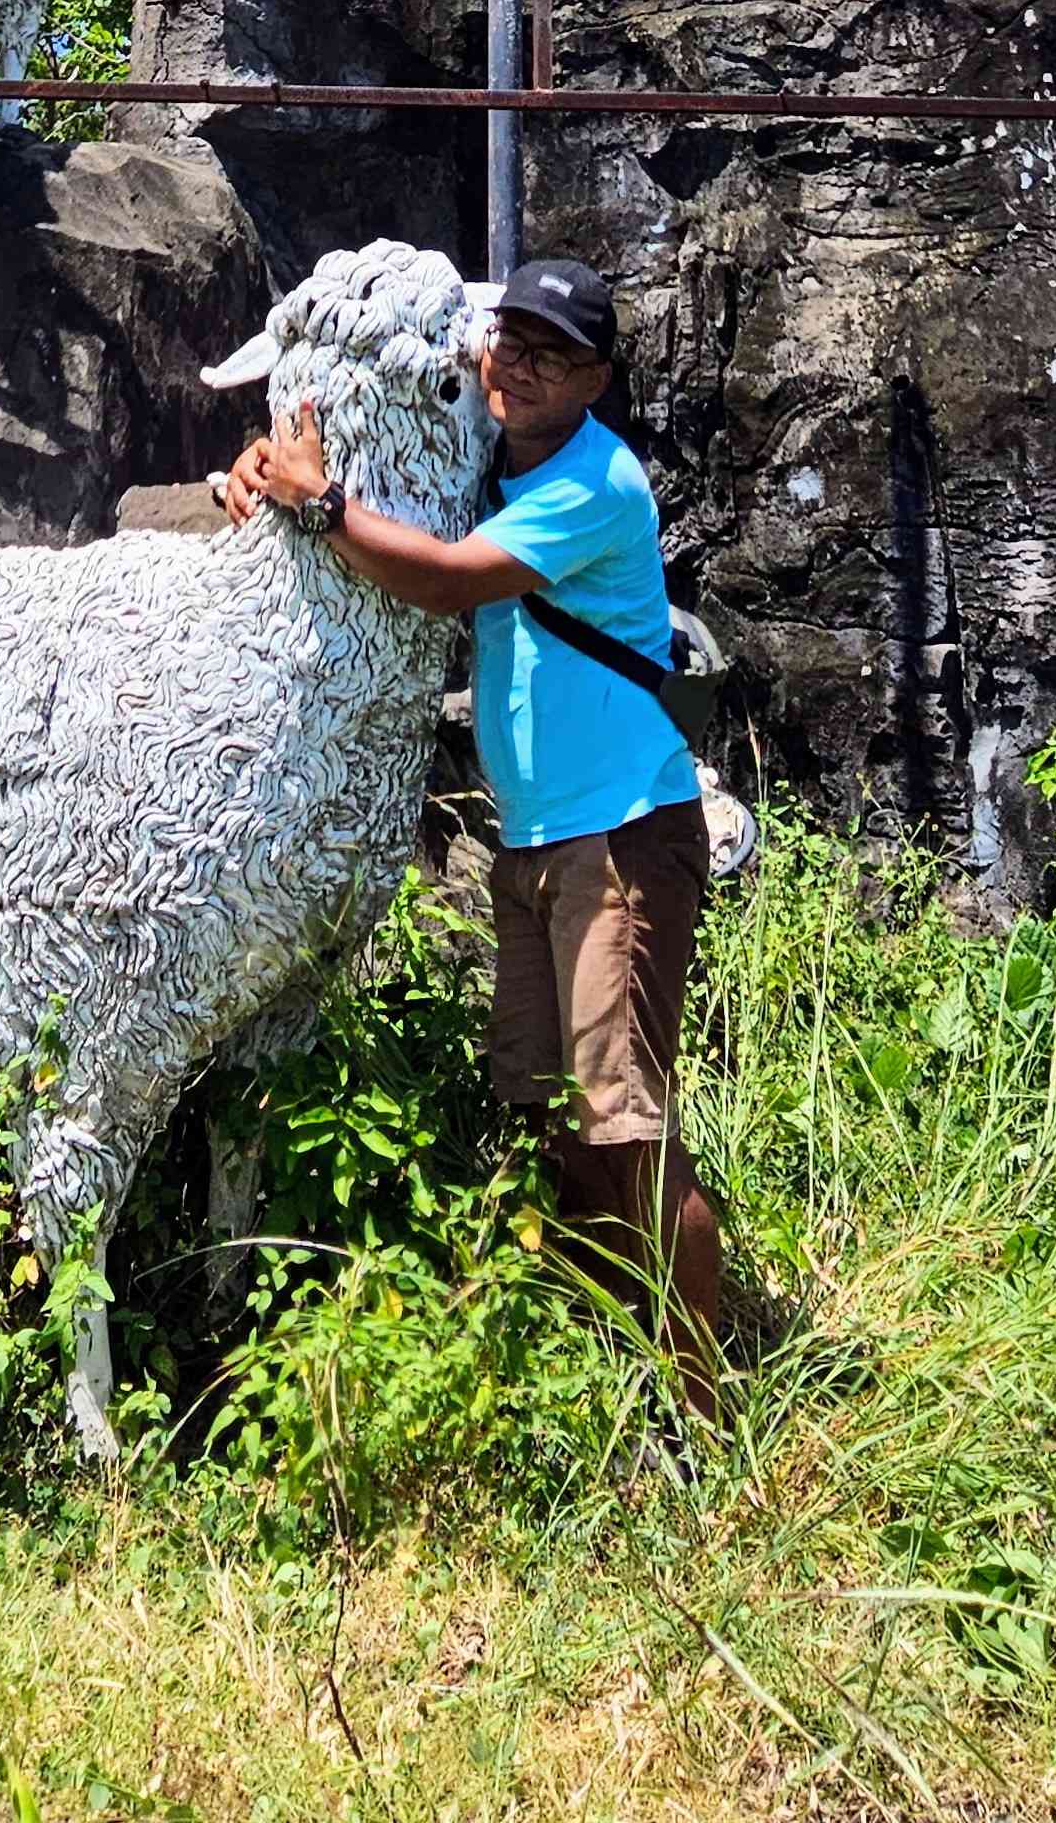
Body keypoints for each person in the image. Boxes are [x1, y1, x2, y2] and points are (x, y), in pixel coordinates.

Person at [223, 252, 723, 1408]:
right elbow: (376, 485)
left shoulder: (596, 483)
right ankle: (619, 1360)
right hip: (538, 839)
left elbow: (445, 581)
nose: (522, 368)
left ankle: (704, 1405)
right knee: (552, 1113)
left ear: (595, 376)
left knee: (626, 1123)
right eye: (511, 342)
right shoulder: (490, 459)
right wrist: (258, 464)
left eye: (556, 355)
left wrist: (318, 498)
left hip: (620, 839)